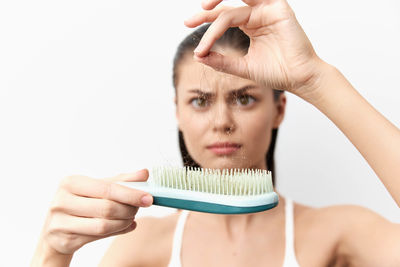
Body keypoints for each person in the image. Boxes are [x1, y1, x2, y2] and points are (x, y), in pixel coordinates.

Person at [31, 0, 400, 266]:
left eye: (244, 99)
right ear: (177, 111)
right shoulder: (143, 246)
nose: (221, 121)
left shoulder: (336, 233)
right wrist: (52, 253)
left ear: (279, 109)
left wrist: (315, 78)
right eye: (199, 101)